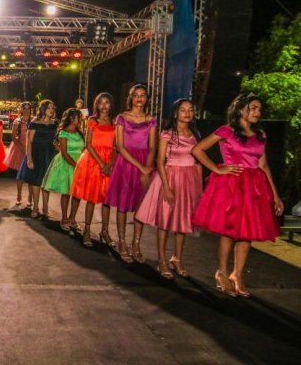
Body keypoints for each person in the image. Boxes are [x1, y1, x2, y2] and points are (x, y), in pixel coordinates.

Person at [191, 93, 283, 297]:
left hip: (254, 187)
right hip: (232, 185)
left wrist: (275, 196)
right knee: (230, 231)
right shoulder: (227, 130)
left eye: (259, 109)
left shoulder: (260, 134)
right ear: (241, 110)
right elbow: (197, 150)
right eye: (253, 108)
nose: (258, 112)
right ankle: (222, 272)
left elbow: (263, 165)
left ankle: (237, 275)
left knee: (247, 233)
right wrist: (217, 169)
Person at [135, 99, 203, 279]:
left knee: (183, 221)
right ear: (175, 113)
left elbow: (198, 161)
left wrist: (199, 187)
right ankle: (162, 260)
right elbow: (160, 161)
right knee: (164, 221)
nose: (187, 113)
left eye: (190, 110)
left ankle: (177, 258)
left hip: (189, 180)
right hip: (170, 177)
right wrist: (166, 188)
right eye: (183, 110)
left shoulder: (195, 134)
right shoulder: (167, 134)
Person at [104, 84, 157, 263]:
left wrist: (147, 168)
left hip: (145, 161)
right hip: (126, 162)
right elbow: (119, 146)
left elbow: (153, 146)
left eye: (143, 95)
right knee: (123, 204)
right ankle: (122, 242)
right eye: (136, 95)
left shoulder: (151, 119)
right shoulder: (122, 118)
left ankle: (136, 244)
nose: (139, 98)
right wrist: (140, 167)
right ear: (130, 98)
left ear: (147, 98)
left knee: (140, 205)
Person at [69, 93, 116, 247]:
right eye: (100, 103)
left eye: (107, 102)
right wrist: (102, 164)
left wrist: (110, 164)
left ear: (111, 104)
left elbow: (117, 146)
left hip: (110, 161)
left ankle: (105, 231)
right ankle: (87, 231)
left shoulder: (115, 122)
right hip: (93, 160)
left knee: (107, 200)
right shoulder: (92, 120)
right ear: (97, 105)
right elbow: (88, 144)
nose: (104, 106)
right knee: (92, 198)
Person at [42, 108, 85, 232]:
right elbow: (64, 153)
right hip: (67, 164)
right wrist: (75, 165)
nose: (81, 120)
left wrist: (82, 163)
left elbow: (83, 149)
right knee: (66, 192)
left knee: (77, 194)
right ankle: (64, 218)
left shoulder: (80, 133)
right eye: (79, 117)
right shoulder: (63, 133)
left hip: (79, 162)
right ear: (72, 118)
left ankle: (72, 219)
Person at [19, 99, 58, 218]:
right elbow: (29, 142)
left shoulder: (55, 123)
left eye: (52, 108)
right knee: (36, 182)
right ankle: (35, 207)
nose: (51, 110)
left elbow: (56, 139)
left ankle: (45, 208)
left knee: (46, 182)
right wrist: (29, 159)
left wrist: (57, 146)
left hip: (50, 154)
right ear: (43, 109)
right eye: (49, 108)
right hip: (36, 154)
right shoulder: (34, 122)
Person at [4, 102, 33, 207]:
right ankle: (19, 197)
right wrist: (22, 148)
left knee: (31, 176)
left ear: (30, 110)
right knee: (20, 176)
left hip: (31, 148)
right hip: (19, 148)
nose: (26, 111)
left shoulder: (34, 121)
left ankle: (30, 198)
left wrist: (29, 150)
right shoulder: (17, 121)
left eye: (28, 109)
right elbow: (13, 136)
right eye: (24, 108)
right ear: (21, 110)